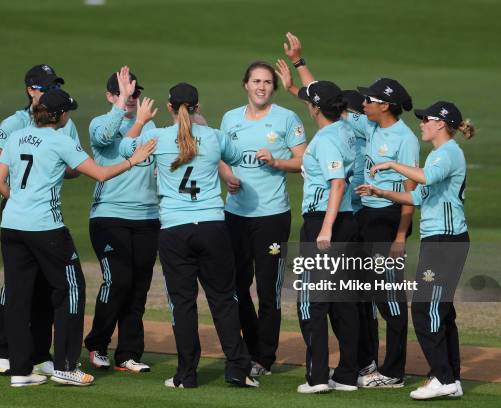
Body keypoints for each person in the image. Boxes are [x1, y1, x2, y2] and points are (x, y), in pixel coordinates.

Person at [0, 82, 156, 387]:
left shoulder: (15, 137)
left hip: (12, 227)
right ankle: (66, 366)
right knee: (71, 289)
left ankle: (20, 371)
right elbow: (101, 173)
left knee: (17, 297)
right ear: (60, 115)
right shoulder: (59, 140)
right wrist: (135, 159)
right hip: (46, 228)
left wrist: (18, 202)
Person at [281, 32, 419, 388]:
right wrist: (299, 67)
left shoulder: (404, 139)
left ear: (384, 105)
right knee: (358, 294)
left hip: (387, 221)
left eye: (369, 100)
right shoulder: (363, 125)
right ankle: (360, 365)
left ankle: (392, 370)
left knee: (388, 296)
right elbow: (327, 100)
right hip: (361, 218)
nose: (362, 104)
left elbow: (411, 189)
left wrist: (401, 234)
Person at [120, 83, 258, 389]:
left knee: (182, 304)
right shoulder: (214, 136)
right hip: (211, 226)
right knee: (223, 300)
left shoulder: (156, 137)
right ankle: (237, 369)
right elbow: (234, 156)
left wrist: (140, 121)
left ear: (169, 107)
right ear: (197, 106)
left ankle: (186, 375)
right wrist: (204, 128)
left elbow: (124, 149)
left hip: (173, 230)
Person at [357, 101, 474, 399]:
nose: (421, 123)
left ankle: (443, 378)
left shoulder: (447, 153)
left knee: (425, 309)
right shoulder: (438, 155)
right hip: (440, 241)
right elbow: (417, 195)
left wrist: (392, 163)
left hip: (445, 241)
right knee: (442, 311)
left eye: (426, 119)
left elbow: (426, 179)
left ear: (440, 124)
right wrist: (381, 191)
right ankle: (450, 377)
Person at [0, 64, 80, 375]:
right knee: (17, 285)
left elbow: (74, 166)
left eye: (53, 87)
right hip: (17, 206)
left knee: (44, 285)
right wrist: (22, 188)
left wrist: (52, 166)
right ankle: (0, 347)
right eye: (44, 87)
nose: (49, 92)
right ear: (30, 90)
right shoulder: (15, 121)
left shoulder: (64, 121)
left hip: (43, 214)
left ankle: (38, 352)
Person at [219, 61, 307, 376]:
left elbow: (304, 161)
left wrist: (278, 161)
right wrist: (228, 176)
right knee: (236, 287)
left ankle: (264, 358)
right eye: (256, 81)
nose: (261, 87)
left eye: (267, 82)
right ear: (246, 84)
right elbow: (221, 158)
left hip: (272, 216)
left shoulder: (287, 118)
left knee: (268, 289)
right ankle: (251, 347)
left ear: (274, 87)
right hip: (235, 215)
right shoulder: (230, 118)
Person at [283, 77, 361, 393]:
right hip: (347, 221)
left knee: (314, 301)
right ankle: (346, 374)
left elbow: (337, 183)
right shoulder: (348, 128)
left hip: (323, 222)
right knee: (343, 300)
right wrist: (296, 86)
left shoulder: (327, 139)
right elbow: (318, 100)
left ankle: (316, 378)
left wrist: (325, 227)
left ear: (317, 108)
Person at [84, 69, 159, 373]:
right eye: (124, 93)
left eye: (134, 93)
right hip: (109, 215)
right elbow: (115, 150)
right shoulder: (100, 124)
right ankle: (97, 344)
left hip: (147, 217)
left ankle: (128, 354)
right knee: (118, 281)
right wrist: (132, 116)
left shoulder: (151, 126)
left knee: (138, 288)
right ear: (110, 96)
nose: (130, 98)